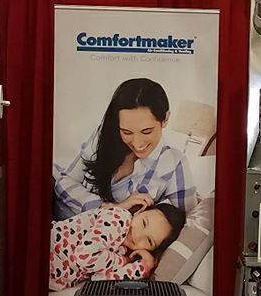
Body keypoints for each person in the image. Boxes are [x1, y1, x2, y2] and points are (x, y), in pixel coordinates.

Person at [53, 78, 191, 221]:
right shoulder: (103, 137)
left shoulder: (174, 164)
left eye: (146, 131)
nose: (137, 143)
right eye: (127, 132)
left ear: (165, 119)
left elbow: (186, 222)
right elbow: (64, 182)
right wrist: (109, 208)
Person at [48, 201, 187, 292]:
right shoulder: (119, 218)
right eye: (144, 223)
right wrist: (123, 261)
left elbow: (99, 281)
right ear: (140, 211)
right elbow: (84, 256)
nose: (138, 235)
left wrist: (143, 267)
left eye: (149, 241)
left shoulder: (124, 250)